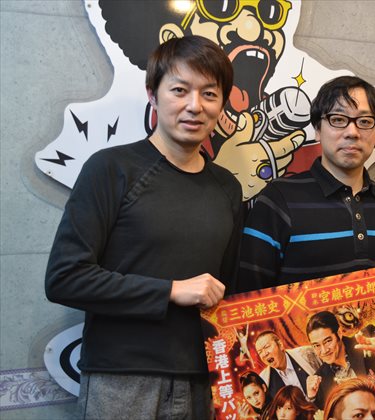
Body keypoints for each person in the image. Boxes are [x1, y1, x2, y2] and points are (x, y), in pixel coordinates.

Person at [44, 36, 242, 419]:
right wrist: (171, 290)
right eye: (179, 90)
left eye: (209, 94)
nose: (195, 106)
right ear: (153, 94)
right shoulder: (111, 168)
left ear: (222, 105)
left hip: (204, 378)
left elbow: (227, 289)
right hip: (121, 378)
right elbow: (65, 278)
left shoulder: (227, 187)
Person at [237, 75, 375, 292]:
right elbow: (247, 295)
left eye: (365, 122)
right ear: (318, 130)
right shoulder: (277, 199)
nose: (352, 132)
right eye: (338, 119)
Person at [305, 311, 375, 409]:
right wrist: (311, 397)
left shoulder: (366, 339)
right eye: (316, 345)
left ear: (339, 333)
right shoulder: (321, 381)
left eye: (328, 341)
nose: (324, 351)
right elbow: (322, 412)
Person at [254, 331, 321, 397]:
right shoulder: (264, 379)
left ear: (280, 345)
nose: (264, 354)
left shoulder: (307, 354)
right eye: (260, 352)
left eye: (267, 347)